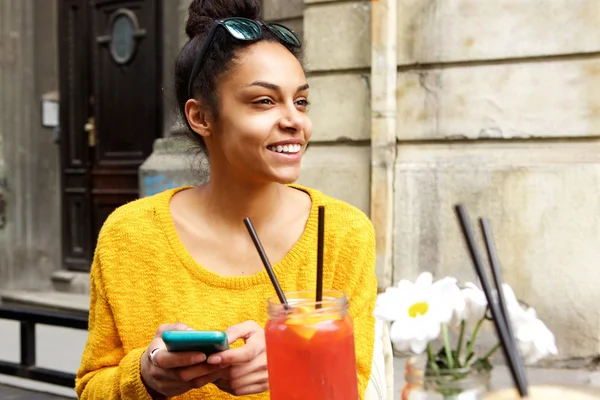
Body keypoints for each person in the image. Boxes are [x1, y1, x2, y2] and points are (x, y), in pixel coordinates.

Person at [75, 0, 378, 398]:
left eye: (300, 100)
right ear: (201, 117)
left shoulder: (341, 233)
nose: (295, 121)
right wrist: (146, 376)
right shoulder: (129, 235)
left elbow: (351, 387)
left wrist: (290, 363)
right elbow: (91, 386)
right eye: (264, 101)